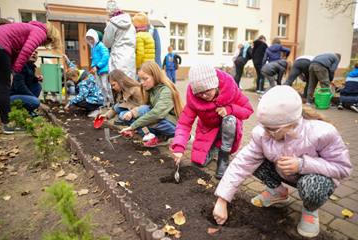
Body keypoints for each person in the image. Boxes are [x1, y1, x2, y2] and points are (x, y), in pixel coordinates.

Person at [212, 86, 351, 238]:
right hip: (283, 173)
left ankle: (310, 210)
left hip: (311, 179)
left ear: (292, 124)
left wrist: (303, 165)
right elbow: (242, 163)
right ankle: (278, 192)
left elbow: (343, 168)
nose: (265, 132)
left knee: (313, 186)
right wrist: (222, 199)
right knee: (253, 161)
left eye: (271, 129)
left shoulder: (322, 133)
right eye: (264, 127)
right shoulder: (263, 135)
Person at [171, 62, 254, 179]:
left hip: (229, 128)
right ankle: (215, 146)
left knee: (229, 120)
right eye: (199, 93)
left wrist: (230, 109)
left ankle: (224, 155)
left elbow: (248, 110)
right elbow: (184, 124)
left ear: (215, 85)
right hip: (208, 129)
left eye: (207, 91)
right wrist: (179, 147)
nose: (204, 96)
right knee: (199, 162)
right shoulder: (194, 100)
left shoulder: (230, 88)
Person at [0, 21, 61, 134]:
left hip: (2, 45)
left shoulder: (28, 29)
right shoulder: (40, 32)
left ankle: (10, 120)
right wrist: (13, 71)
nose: (42, 45)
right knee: (3, 86)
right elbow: (26, 51)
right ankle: (7, 124)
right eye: (46, 43)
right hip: (0, 45)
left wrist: (11, 71)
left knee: (4, 85)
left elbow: (15, 55)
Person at [120, 61, 184, 147]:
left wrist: (134, 126)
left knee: (146, 113)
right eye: (140, 79)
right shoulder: (151, 90)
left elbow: (156, 113)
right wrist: (132, 114)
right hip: (168, 121)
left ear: (155, 76)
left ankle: (185, 138)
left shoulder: (166, 91)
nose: (142, 82)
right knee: (143, 110)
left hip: (178, 127)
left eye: (145, 79)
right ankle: (161, 138)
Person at [99, 69, 155, 142]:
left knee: (123, 115)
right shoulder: (120, 91)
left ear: (120, 81)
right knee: (117, 107)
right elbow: (117, 106)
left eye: (113, 85)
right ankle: (135, 128)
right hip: (135, 111)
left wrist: (131, 113)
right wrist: (106, 115)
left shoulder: (136, 89)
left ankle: (147, 134)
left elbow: (145, 106)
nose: (113, 87)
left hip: (145, 116)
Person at [104, 0, 136, 79]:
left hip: (117, 59)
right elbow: (134, 42)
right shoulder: (131, 25)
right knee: (130, 84)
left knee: (118, 84)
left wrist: (107, 27)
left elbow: (107, 43)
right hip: (130, 59)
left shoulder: (112, 24)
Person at [10, 49, 44, 118]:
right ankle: (20, 112)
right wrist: (34, 98)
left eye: (36, 53)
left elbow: (25, 78)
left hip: (18, 94)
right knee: (36, 102)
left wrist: (35, 78)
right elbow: (20, 86)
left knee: (37, 85)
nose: (34, 53)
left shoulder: (31, 66)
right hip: (11, 96)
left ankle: (28, 112)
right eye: (32, 51)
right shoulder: (20, 66)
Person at [86, 29, 113, 108]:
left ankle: (112, 101)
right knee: (100, 87)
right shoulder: (92, 47)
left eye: (92, 39)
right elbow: (94, 58)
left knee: (106, 86)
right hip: (98, 70)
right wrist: (93, 66)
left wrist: (98, 66)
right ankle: (104, 102)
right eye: (89, 39)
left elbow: (105, 57)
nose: (90, 40)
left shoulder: (101, 45)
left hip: (104, 69)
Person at [132, 12, 155, 77]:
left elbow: (140, 53)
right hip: (150, 65)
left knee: (142, 84)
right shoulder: (148, 35)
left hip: (143, 67)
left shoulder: (139, 36)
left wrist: (136, 66)